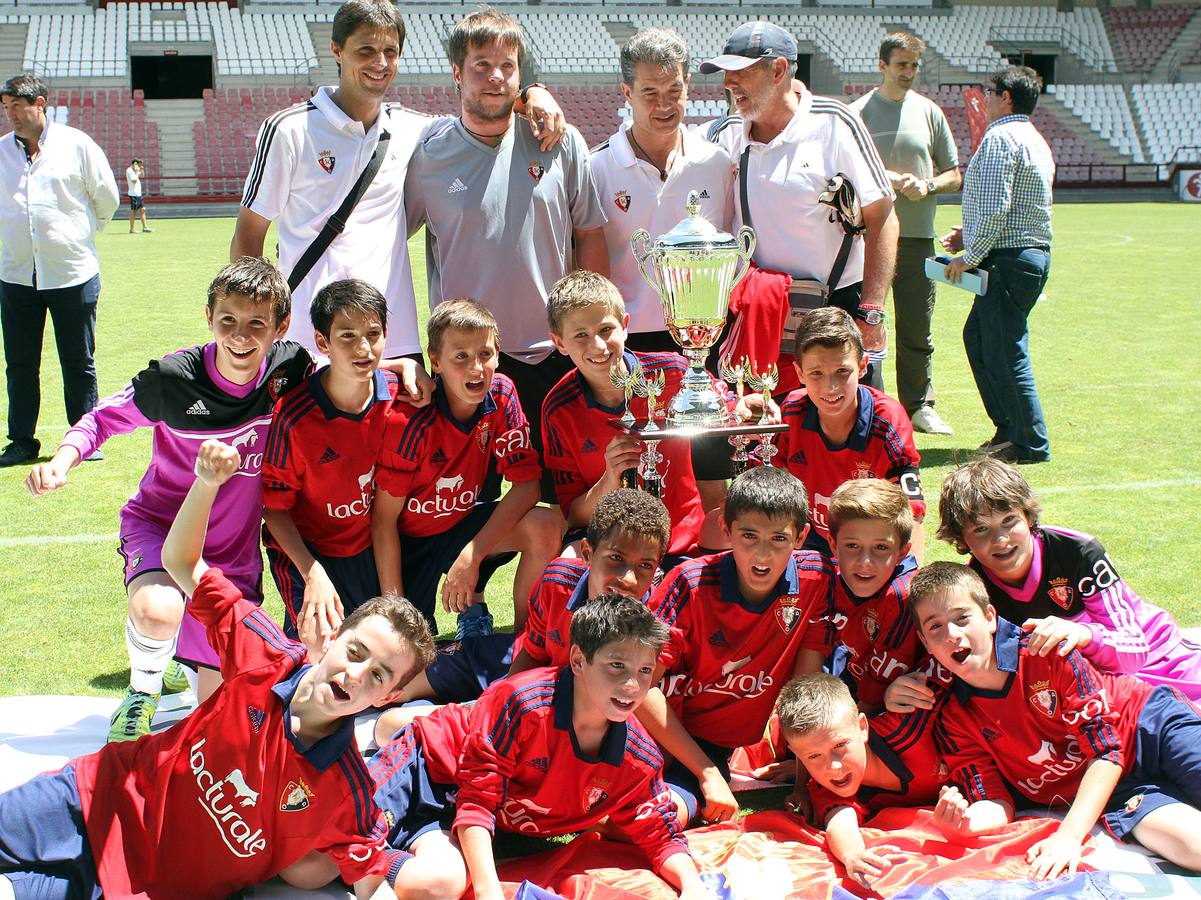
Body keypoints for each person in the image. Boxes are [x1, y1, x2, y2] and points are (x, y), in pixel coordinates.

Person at [0, 439, 436, 900]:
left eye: (378, 675)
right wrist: (206, 483)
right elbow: (181, 563)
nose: (356, 673)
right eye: (356, 652)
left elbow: (370, 880)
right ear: (330, 639)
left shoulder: (346, 792)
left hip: (140, 889)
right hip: (93, 799)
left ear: (386, 699)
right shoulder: (263, 654)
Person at [25, 257, 312, 738]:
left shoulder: (291, 370)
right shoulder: (174, 379)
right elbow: (103, 419)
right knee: (158, 609)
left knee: (222, 714)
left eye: (256, 324)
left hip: (231, 553)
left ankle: (179, 653)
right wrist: (61, 460)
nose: (240, 336)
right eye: (228, 321)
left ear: (280, 326)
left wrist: (400, 376)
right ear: (209, 317)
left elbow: (342, 385)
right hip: (159, 528)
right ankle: (142, 690)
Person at [231, 0, 561, 393]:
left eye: (390, 52)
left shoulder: (411, 129)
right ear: (337, 50)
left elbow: (483, 111)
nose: (380, 63)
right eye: (366, 50)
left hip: (395, 340)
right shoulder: (289, 129)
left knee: (398, 454)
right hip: (313, 337)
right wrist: (257, 324)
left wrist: (534, 93)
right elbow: (249, 235)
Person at [369, 594, 708, 900]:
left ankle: (374, 851)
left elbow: (660, 836)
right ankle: (413, 724)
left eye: (645, 670)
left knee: (436, 886)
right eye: (616, 665)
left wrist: (693, 887)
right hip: (427, 768)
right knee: (322, 855)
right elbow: (478, 800)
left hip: (452, 812)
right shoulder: (522, 702)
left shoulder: (639, 757)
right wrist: (489, 892)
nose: (632, 684)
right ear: (577, 660)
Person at [404, 8, 608, 471]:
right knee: (472, 505)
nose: (496, 77)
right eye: (481, 65)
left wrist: (590, 328)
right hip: (469, 364)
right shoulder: (428, 156)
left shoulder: (561, 141)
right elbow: (386, 239)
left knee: (570, 497)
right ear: (457, 72)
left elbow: (589, 234)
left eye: (508, 66)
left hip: (557, 354)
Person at [913, 562, 1201, 879]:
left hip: (1149, 727)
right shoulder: (953, 719)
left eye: (961, 618)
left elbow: (1106, 751)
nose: (952, 634)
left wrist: (1068, 836)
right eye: (935, 627)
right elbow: (995, 800)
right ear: (926, 643)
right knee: (1194, 849)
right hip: (1110, 790)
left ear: (990, 617)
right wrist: (963, 824)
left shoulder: (1045, 651)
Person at [368, 487, 671, 732]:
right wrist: (504, 697)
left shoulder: (654, 622)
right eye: (616, 558)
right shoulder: (557, 581)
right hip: (518, 664)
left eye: (645, 566)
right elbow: (531, 652)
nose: (628, 578)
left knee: (392, 725)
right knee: (397, 683)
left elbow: (636, 700)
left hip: (552, 703)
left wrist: (491, 711)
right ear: (588, 554)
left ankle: (455, 716)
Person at [701, 22, 897, 393]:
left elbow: (882, 216)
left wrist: (871, 309)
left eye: (740, 72)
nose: (728, 83)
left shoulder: (835, 123)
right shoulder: (723, 131)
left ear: (778, 71)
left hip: (833, 307)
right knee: (759, 430)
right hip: (754, 314)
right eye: (725, 73)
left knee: (845, 425)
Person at [590, 27, 737, 517]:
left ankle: (706, 584)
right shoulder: (597, 169)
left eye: (673, 90)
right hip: (629, 352)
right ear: (627, 93)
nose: (664, 104)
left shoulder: (717, 164)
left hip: (703, 346)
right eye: (649, 92)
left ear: (688, 87)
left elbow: (735, 255)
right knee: (639, 481)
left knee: (712, 478)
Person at [648, 466, 834, 824]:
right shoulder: (689, 583)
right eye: (749, 535)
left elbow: (805, 688)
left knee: (666, 817)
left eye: (779, 539)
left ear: (801, 537)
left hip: (710, 746)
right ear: (725, 528)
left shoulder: (816, 579)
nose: (762, 554)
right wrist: (707, 773)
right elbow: (638, 687)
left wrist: (804, 780)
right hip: (651, 733)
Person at [934, 457, 1201, 699]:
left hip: (1159, 657)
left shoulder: (1077, 551)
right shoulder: (973, 588)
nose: (1001, 539)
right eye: (981, 529)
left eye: (1009, 520)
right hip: (1090, 683)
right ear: (961, 539)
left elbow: (1135, 652)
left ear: (1027, 516)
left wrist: (1082, 633)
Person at [371, 299, 562, 636]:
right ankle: (445, 611)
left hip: (459, 527)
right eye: (460, 356)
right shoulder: (412, 414)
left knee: (546, 525)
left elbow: (528, 486)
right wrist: (394, 607)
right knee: (408, 645)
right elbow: (384, 520)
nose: (476, 368)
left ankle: (525, 643)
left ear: (499, 354)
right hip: (407, 543)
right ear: (435, 360)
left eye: (485, 354)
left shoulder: (502, 394)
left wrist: (472, 556)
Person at [261, 279, 399, 658]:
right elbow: (274, 509)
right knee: (324, 652)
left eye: (373, 334)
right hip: (309, 551)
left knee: (387, 649)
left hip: (370, 548)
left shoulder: (401, 395)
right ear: (323, 343)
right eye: (348, 336)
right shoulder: (295, 417)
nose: (363, 348)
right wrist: (312, 573)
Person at [542, 270, 718, 557]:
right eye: (581, 335)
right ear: (559, 342)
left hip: (683, 537)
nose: (598, 346)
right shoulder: (559, 408)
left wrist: (753, 405)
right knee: (564, 569)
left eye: (605, 330)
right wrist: (609, 479)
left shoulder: (674, 371)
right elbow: (573, 515)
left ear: (625, 325)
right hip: (607, 541)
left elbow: (726, 403)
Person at [0, 73, 119, 468]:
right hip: (17, 275)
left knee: (78, 358)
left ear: (40, 104)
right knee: (19, 363)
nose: (11, 114)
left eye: (18, 105)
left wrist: (79, 235)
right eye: (6, 107)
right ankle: (20, 441)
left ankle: (84, 437)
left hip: (72, 273)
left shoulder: (76, 145)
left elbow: (107, 197)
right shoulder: (1, 152)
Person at [744, 307, 925, 559]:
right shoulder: (792, 412)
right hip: (813, 541)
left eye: (842, 371)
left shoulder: (888, 421)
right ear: (799, 373)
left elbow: (911, 511)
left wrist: (909, 580)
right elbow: (768, 489)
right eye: (816, 373)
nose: (831, 387)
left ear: (862, 366)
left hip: (869, 548)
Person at [941, 65, 1054, 464]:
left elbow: (994, 209)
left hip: (1007, 259)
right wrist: (969, 238)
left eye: (989, 91)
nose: (983, 98)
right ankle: (1010, 430)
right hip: (1025, 255)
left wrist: (967, 255)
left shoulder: (1000, 138)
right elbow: (1010, 210)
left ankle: (1028, 442)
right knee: (980, 339)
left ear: (1006, 96)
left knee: (1004, 350)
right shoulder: (1033, 139)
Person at [851, 33, 960, 434]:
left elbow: (954, 173)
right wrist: (886, 178)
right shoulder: (857, 113)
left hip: (916, 238)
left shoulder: (930, 113)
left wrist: (929, 185)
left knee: (917, 326)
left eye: (914, 66)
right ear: (882, 65)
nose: (909, 73)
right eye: (902, 65)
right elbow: (841, 174)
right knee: (864, 319)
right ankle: (867, 398)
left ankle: (919, 404)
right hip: (867, 237)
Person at [777, 673, 943, 890]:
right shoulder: (826, 784)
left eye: (839, 746)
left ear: (863, 727)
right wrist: (853, 855)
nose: (834, 767)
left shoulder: (913, 725)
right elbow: (840, 823)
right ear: (797, 754)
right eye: (814, 756)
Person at [823, 478, 921, 712]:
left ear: (902, 552)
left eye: (881, 547)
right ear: (833, 544)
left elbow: (872, 702)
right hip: (854, 680)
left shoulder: (902, 596)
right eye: (853, 546)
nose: (865, 562)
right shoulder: (825, 580)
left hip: (898, 705)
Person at [126, 157, 152, 233]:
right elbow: (134, 180)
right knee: (133, 211)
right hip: (133, 194)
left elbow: (142, 176)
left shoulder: (136, 170)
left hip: (139, 194)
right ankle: (132, 228)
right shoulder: (130, 170)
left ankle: (145, 227)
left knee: (142, 210)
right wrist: (137, 172)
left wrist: (141, 168)